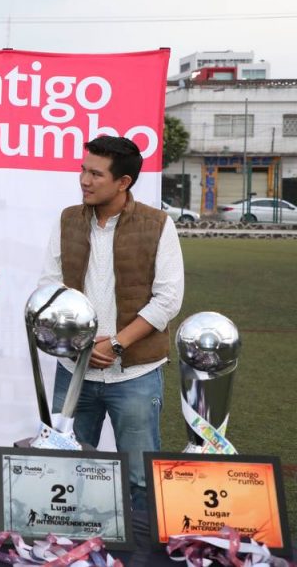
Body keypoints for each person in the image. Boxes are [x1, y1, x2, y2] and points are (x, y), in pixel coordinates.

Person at [39, 135, 184, 514]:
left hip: (135, 375)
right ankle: (62, 550)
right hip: (73, 369)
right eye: (83, 170)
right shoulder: (67, 219)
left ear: (124, 182)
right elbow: (49, 286)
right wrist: (79, 344)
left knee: (139, 478)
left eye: (95, 174)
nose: (84, 180)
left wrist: (115, 344)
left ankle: (140, 553)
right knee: (66, 472)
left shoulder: (158, 224)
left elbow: (168, 299)